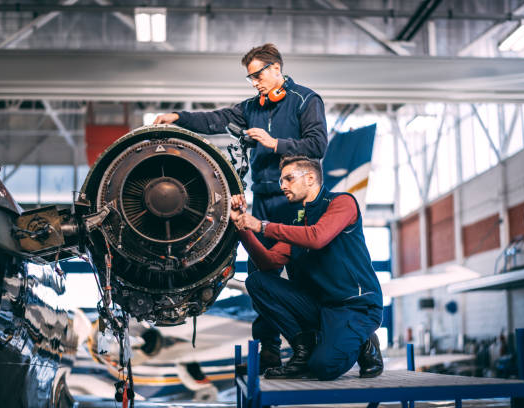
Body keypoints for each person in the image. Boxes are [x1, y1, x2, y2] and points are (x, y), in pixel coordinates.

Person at [153, 44, 328, 372]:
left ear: (276, 68)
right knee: (261, 277)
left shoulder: (306, 101)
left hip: (300, 202)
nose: (255, 83)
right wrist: (179, 117)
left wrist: (276, 143)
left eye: (258, 75)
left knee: (310, 274)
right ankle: (270, 355)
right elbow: (216, 119)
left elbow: (318, 144)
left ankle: (335, 341)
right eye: (250, 78)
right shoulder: (252, 107)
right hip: (263, 200)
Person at [230, 156, 384, 380]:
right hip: (322, 308)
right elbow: (269, 262)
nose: (282, 186)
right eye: (282, 181)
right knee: (257, 281)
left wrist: (262, 226)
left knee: (323, 367)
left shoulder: (342, 203)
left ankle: (365, 340)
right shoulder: (298, 225)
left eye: (289, 179)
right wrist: (242, 226)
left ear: (310, 178)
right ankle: (303, 350)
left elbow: (317, 237)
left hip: (356, 307)